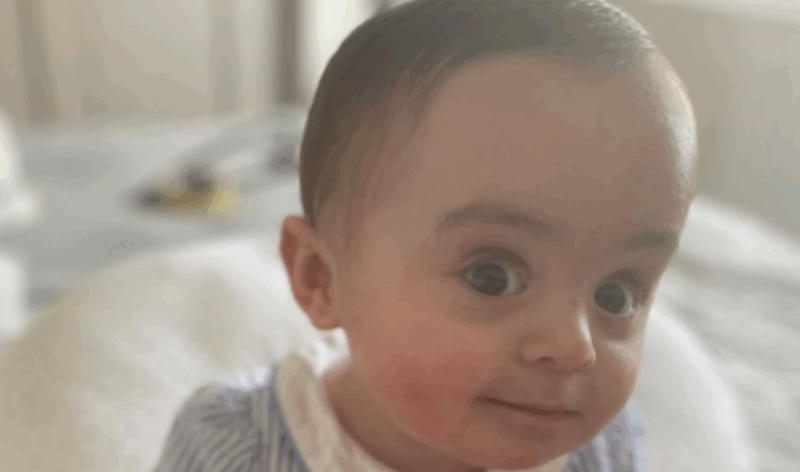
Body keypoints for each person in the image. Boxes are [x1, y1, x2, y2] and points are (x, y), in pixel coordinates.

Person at [154, 0, 697, 470]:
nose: (574, 347)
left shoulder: (602, 447)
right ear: (322, 279)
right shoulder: (233, 447)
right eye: (493, 276)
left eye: (617, 292)